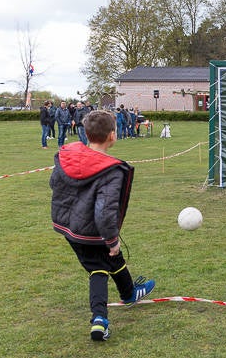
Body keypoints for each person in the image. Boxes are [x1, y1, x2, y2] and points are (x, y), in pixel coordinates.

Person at [49, 110, 155, 341]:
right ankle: (99, 319)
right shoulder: (110, 170)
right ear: (112, 136)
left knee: (111, 257)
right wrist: (112, 239)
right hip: (91, 231)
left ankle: (129, 293)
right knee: (98, 268)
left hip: (69, 227)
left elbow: (54, 184)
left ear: (86, 134)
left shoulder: (70, 156)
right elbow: (105, 211)